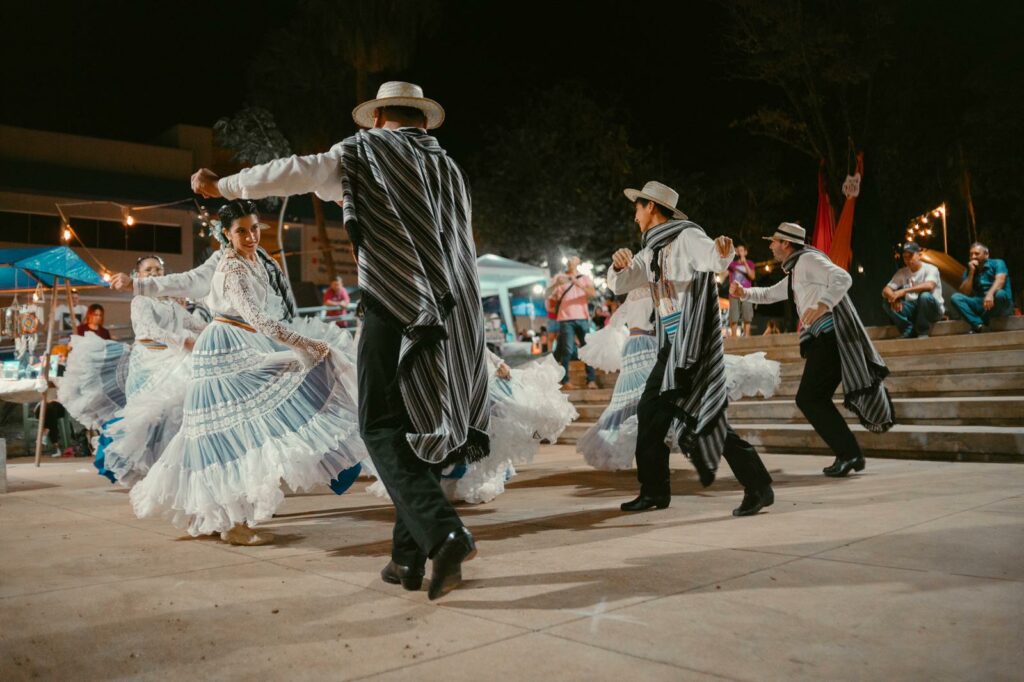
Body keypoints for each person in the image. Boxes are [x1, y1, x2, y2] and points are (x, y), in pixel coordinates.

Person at [188, 82, 487, 600]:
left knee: (378, 425)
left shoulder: (362, 152)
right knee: (417, 426)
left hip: (394, 302)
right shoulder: (448, 168)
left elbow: (292, 172)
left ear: (377, 119)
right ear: (419, 120)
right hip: (453, 312)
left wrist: (223, 188)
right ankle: (406, 560)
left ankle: (444, 532)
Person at [130, 201, 366, 546]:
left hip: (241, 343)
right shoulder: (232, 267)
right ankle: (233, 523)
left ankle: (228, 517)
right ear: (226, 234)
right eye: (242, 230)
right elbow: (258, 319)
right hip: (225, 349)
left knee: (239, 433)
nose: (251, 236)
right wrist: (306, 344)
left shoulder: (254, 259)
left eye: (254, 228)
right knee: (234, 436)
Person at [607, 180, 775, 516]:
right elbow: (620, 284)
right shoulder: (650, 249)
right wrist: (618, 266)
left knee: (703, 417)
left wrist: (724, 250)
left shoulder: (686, 236)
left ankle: (758, 486)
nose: (634, 215)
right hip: (670, 344)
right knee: (651, 413)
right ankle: (654, 491)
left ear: (651, 206)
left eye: (637, 207)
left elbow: (713, 258)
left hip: (692, 342)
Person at [732, 223, 895, 478]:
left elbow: (843, 277)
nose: (771, 246)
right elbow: (770, 294)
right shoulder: (797, 270)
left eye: (774, 241)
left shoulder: (808, 260)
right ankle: (849, 453)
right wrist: (744, 293)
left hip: (832, 338)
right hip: (824, 339)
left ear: (786, 243)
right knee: (812, 399)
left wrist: (823, 304)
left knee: (810, 399)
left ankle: (849, 453)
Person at [578, 288, 780, 471]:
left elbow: (616, 322)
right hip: (647, 346)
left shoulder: (647, 290)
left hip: (644, 346)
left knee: (647, 403)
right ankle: (654, 481)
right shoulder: (649, 289)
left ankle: (655, 479)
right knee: (647, 404)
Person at [93, 255, 208, 487]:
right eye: (149, 270)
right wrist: (184, 341)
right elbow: (150, 330)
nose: (155, 273)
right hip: (150, 363)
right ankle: (152, 471)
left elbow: (197, 325)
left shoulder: (172, 303)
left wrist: (221, 329)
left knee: (179, 412)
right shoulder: (141, 301)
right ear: (139, 276)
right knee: (151, 419)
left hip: (174, 359)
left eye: (158, 269)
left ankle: (178, 467)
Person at [546, 256, 599, 389]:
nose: (570, 261)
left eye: (573, 259)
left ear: (578, 262)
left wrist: (578, 284)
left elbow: (593, 294)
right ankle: (565, 381)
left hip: (582, 317)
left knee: (587, 349)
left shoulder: (584, 278)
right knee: (567, 349)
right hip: (565, 318)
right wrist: (556, 284)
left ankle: (591, 380)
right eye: (569, 259)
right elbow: (547, 294)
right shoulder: (560, 277)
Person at [881, 243, 944, 338]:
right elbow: (886, 290)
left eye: (911, 256)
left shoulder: (931, 269)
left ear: (919, 255)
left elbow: (929, 285)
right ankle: (908, 329)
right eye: (905, 257)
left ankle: (923, 331)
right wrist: (894, 298)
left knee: (925, 296)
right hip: (913, 309)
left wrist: (904, 291)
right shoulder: (902, 272)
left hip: (932, 310)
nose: (908, 260)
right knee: (887, 301)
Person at [950, 242, 1013, 333]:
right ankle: (980, 325)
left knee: (1000, 294)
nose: (973, 257)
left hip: (999, 303)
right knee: (955, 297)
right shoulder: (969, 269)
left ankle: (977, 323)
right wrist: (971, 272)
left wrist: (990, 294)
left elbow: (1000, 281)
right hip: (981, 303)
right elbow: (965, 292)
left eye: (977, 254)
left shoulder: (998, 263)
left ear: (986, 254)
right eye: (971, 254)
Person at [727, 243, 756, 337]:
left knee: (747, 317)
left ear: (746, 252)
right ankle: (734, 339)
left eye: (742, 250)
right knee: (734, 317)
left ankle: (746, 338)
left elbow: (752, 276)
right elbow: (722, 263)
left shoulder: (750, 263)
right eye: (738, 251)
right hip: (734, 294)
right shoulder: (732, 264)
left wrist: (745, 263)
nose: (740, 252)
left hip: (746, 293)